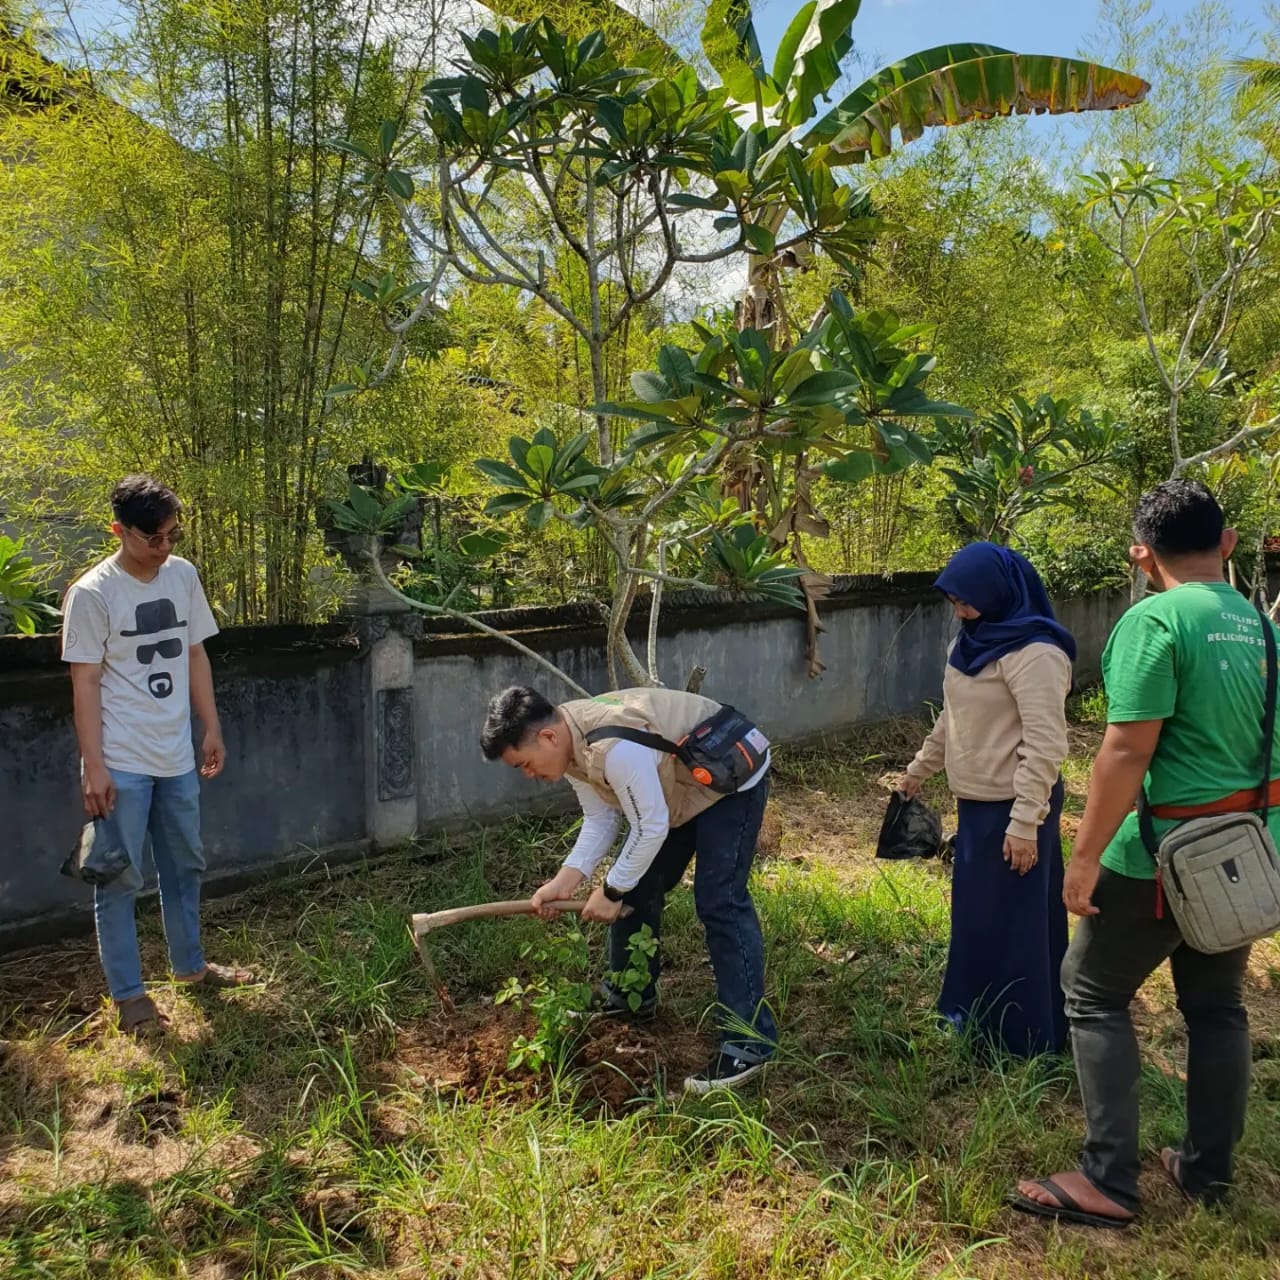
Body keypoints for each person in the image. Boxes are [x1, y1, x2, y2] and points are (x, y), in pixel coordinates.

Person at [1012, 480, 1277, 1228]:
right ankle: (1208, 1172)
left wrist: (1084, 856)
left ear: (1143, 554)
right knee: (1218, 1005)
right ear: (1226, 544)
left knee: (1092, 991)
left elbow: (1126, 750)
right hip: (1251, 851)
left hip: (1162, 856)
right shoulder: (1264, 629)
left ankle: (1109, 1180)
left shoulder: (1153, 619)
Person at [481, 684, 775, 1094]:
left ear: (547, 737)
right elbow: (601, 819)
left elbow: (650, 826)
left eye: (525, 765)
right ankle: (630, 995)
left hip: (729, 774)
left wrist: (612, 890)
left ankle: (749, 1042)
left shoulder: (614, 749)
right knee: (637, 886)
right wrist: (563, 882)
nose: (529, 776)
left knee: (719, 902)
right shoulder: (570, 746)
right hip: (682, 781)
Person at [61, 475, 255, 1035]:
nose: (165, 547)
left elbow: (195, 654)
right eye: (153, 538)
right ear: (119, 531)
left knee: (185, 865)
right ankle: (129, 997)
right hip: (120, 758)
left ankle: (190, 967)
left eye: (172, 534)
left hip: (175, 756)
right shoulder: (93, 594)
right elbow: (86, 685)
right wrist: (93, 765)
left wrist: (210, 725)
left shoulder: (183, 575)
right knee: (118, 878)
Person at [901, 542, 1075, 1057]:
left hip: (1016, 807)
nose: (959, 609)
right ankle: (970, 1015)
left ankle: (1022, 1036)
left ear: (1000, 592)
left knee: (1017, 923)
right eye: (954, 600)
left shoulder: (1036, 653)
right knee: (978, 918)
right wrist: (919, 770)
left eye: (966, 599)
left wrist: (1024, 823)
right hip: (976, 805)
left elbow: (1046, 744)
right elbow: (953, 717)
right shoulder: (972, 641)